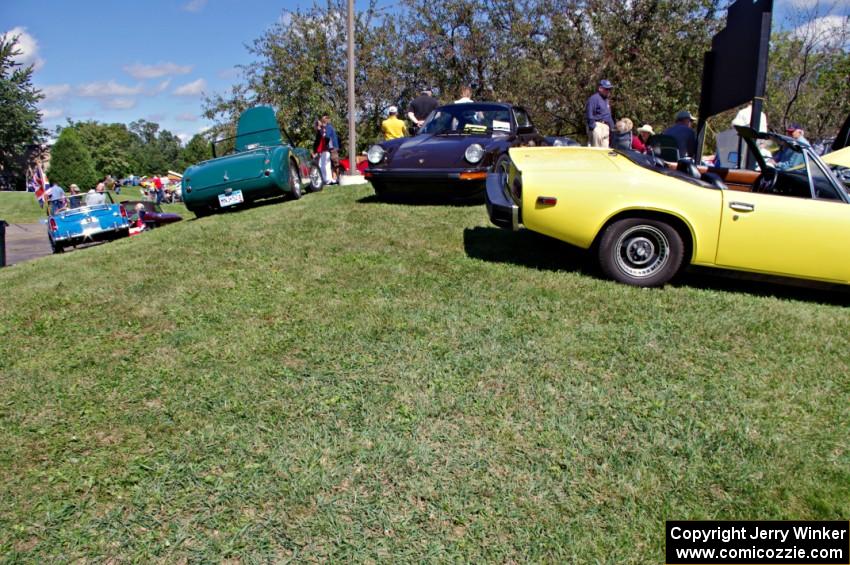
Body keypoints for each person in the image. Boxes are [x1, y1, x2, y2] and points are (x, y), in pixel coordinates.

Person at [586, 79, 615, 148]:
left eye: (609, 89)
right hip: (597, 126)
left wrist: (612, 128)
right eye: (606, 89)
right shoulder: (594, 99)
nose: (608, 91)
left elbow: (608, 115)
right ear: (600, 88)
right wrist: (593, 127)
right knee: (596, 151)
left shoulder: (606, 100)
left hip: (606, 127)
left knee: (605, 152)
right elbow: (589, 114)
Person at [321, 114, 340, 183]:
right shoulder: (327, 128)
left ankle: (338, 177)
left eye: (323, 120)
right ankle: (334, 178)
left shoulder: (328, 127)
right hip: (330, 148)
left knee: (335, 163)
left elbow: (327, 137)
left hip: (332, 148)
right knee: (332, 164)